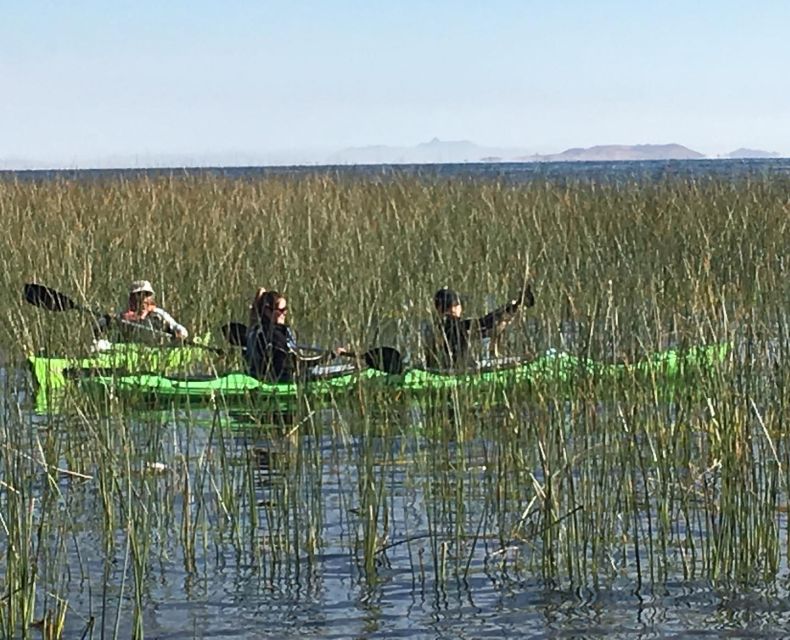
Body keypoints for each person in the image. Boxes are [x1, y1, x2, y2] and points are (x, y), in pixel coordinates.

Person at [422, 284, 535, 369]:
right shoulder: (455, 326)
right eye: (458, 304)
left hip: (445, 369)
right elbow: (485, 326)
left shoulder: (438, 325)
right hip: (462, 371)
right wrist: (511, 310)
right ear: (454, 307)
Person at [245, 290, 343, 382]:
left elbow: (257, 304)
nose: (284, 313)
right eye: (281, 310)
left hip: (261, 375)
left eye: (285, 309)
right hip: (281, 379)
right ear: (267, 311)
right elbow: (299, 363)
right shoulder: (274, 336)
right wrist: (331, 355)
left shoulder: (255, 328)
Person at [116, 279, 189, 341]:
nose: (143, 298)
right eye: (139, 294)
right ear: (132, 297)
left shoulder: (158, 314)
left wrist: (179, 333)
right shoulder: (122, 316)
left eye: (146, 295)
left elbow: (178, 327)